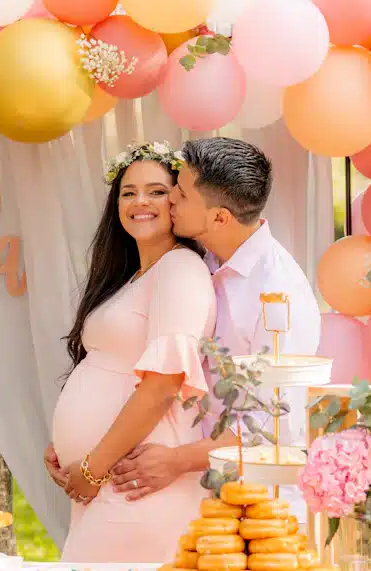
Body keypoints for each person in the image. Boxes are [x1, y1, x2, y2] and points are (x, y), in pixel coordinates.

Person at [109, 137, 322, 523]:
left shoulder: (277, 296)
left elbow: (271, 427)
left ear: (220, 218)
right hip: (198, 495)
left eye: (182, 194)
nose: (170, 199)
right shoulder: (199, 258)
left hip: (260, 505)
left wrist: (176, 460)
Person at [43, 141, 217, 563]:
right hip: (104, 478)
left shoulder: (180, 270)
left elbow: (161, 388)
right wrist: (68, 448)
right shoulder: (134, 277)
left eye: (157, 191)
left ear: (178, 201)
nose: (141, 201)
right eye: (128, 192)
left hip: (131, 480)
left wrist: (91, 466)